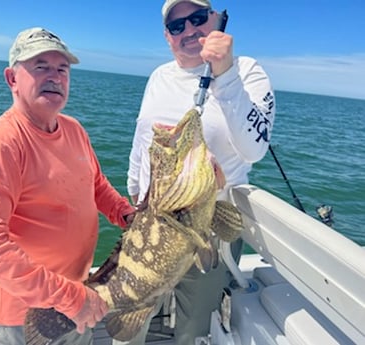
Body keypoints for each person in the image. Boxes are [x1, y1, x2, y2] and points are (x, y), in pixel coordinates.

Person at [0, 27, 136, 345]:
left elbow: (95, 184)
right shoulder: (1, 142)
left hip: (80, 296)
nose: (54, 77)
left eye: (62, 69)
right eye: (40, 66)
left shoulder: (74, 129)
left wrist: (126, 214)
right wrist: (70, 297)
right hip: (26, 316)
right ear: (12, 79)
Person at [120, 0, 276, 344]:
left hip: (208, 231)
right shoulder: (160, 76)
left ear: (216, 19)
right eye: (177, 26)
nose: (189, 30)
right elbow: (141, 140)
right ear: (167, 36)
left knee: (194, 332)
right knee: (128, 318)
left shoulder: (247, 71)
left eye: (197, 19)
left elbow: (255, 149)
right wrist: (134, 192)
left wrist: (225, 72)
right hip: (152, 224)